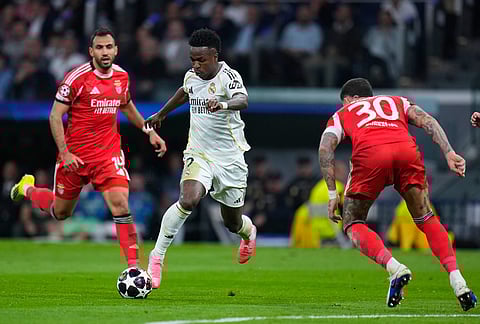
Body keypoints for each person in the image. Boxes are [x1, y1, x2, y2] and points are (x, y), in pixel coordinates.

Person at [10, 27, 167, 267]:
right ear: (91, 51)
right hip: (75, 156)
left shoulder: (122, 77)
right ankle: (28, 189)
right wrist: (65, 152)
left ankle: (134, 269)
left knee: (121, 204)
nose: (105, 52)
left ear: (116, 50)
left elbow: (127, 106)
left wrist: (150, 132)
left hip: (108, 154)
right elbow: (55, 116)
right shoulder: (76, 78)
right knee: (60, 213)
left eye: (109, 47)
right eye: (100, 47)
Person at [318, 78, 476, 310]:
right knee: (426, 217)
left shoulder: (343, 113)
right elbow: (428, 121)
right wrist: (450, 152)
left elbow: (325, 148)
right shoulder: (397, 101)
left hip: (372, 156)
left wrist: (333, 194)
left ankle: (394, 268)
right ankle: (458, 281)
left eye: (344, 102)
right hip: (406, 152)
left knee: (353, 222)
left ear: (350, 99)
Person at [144, 28, 256, 289]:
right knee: (188, 199)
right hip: (199, 152)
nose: (195, 64)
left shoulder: (229, 76)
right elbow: (185, 91)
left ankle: (248, 233)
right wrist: (162, 113)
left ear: (214, 55)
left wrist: (224, 104)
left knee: (232, 222)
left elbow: (243, 100)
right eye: (192, 59)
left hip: (230, 158)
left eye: (201, 60)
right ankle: (156, 257)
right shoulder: (192, 75)